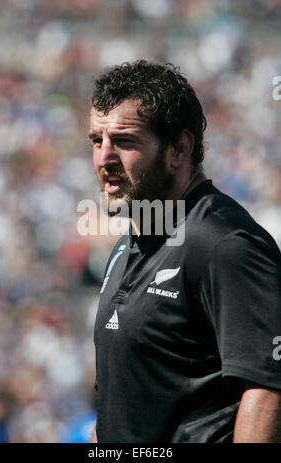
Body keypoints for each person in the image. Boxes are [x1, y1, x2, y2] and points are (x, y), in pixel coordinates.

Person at [88, 60, 281, 443]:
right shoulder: (128, 243)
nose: (104, 158)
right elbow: (118, 406)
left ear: (180, 147)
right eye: (97, 141)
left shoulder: (224, 242)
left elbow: (268, 386)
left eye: (125, 141)